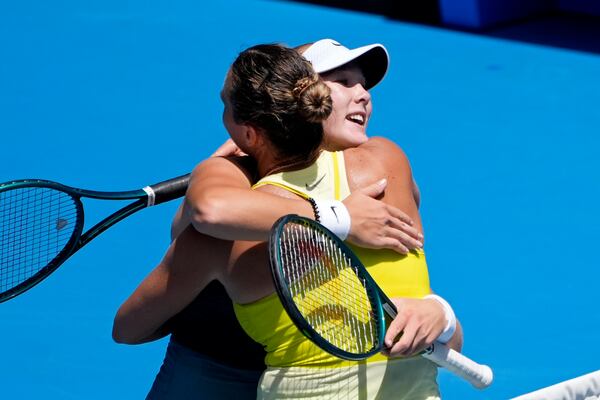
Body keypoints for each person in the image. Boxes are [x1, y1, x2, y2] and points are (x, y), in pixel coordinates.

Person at [113, 42, 460, 399]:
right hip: (217, 357)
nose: (363, 95)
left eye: (364, 85)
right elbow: (209, 213)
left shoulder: (384, 169)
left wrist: (439, 313)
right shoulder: (229, 176)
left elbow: (434, 332)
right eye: (339, 81)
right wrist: (340, 218)